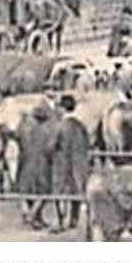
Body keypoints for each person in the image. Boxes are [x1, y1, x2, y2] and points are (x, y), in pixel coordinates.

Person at [49, 95, 91, 232]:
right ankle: (74, 220)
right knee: (76, 192)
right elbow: (88, 143)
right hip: (79, 165)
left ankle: (60, 221)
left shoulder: (60, 126)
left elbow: (50, 146)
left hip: (62, 165)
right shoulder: (81, 126)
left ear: (62, 108)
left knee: (60, 194)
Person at [16, 104, 57, 229]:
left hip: (25, 162)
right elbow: (50, 148)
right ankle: (32, 215)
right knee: (43, 192)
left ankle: (32, 215)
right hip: (41, 164)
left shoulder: (25, 130)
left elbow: (16, 137)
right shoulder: (48, 132)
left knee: (25, 190)